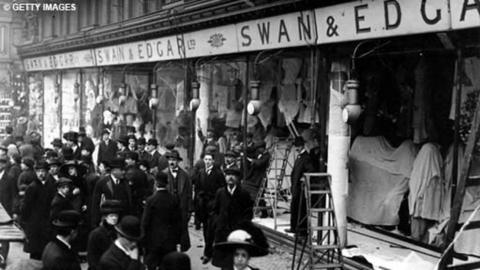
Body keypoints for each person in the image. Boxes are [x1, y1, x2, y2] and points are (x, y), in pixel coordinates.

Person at [212, 168, 254, 267]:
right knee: (224, 261)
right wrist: (218, 223)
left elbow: (248, 213)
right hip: (223, 232)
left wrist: (243, 227)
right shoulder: (220, 192)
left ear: (237, 178)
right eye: (228, 175)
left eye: (233, 175)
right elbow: (215, 210)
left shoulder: (244, 194)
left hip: (237, 233)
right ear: (225, 177)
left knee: (237, 260)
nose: (230, 177)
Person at [142, 172, 182, 270]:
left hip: (153, 239)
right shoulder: (174, 199)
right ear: (167, 183)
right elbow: (178, 221)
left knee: (152, 265)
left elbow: (145, 221)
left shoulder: (150, 200)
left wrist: (143, 238)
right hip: (169, 239)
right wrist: (178, 240)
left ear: (156, 183)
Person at [192, 152, 225, 264]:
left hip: (214, 206)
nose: (207, 161)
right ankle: (207, 252)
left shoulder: (218, 174)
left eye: (210, 159)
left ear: (213, 161)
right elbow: (197, 188)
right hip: (203, 206)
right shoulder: (201, 173)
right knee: (206, 230)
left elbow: (222, 190)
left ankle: (210, 253)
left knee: (213, 231)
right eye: (206, 159)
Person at [22, 160, 56, 260]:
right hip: (35, 225)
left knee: (47, 253)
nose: (40, 174)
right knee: (35, 254)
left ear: (47, 172)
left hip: (47, 223)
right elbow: (25, 208)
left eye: (43, 171)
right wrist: (26, 224)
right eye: (38, 171)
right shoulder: (32, 187)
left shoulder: (52, 186)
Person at [286, 136, 315, 235]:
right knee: (294, 208)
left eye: (297, 147)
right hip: (296, 187)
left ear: (302, 146)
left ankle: (301, 230)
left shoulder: (306, 157)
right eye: (296, 147)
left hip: (300, 188)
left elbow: (311, 169)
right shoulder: (300, 156)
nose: (296, 149)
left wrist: (304, 177)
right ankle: (294, 227)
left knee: (301, 209)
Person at [91, 158, 132, 227]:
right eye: (121, 170)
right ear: (113, 171)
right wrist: (95, 221)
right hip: (107, 220)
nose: (124, 172)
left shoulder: (126, 182)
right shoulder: (102, 183)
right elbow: (96, 204)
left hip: (122, 220)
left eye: (124, 170)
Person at [164, 150, 192, 252]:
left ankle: (181, 252)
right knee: (169, 231)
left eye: (174, 160)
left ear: (178, 161)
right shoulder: (163, 174)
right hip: (168, 207)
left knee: (181, 231)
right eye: (170, 160)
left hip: (181, 207)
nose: (172, 162)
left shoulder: (185, 175)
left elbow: (189, 193)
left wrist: (189, 209)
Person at [87, 200, 123, 270]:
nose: (114, 218)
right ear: (105, 217)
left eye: (116, 215)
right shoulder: (96, 234)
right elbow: (92, 258)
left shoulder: (120, 232)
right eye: (111, 215)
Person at [124, 151, 150, 217]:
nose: (126, 161)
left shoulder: (129, 173)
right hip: (140, 201)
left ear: (133, 161)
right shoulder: (142, 172)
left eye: (128, 159)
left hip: (132, 201)